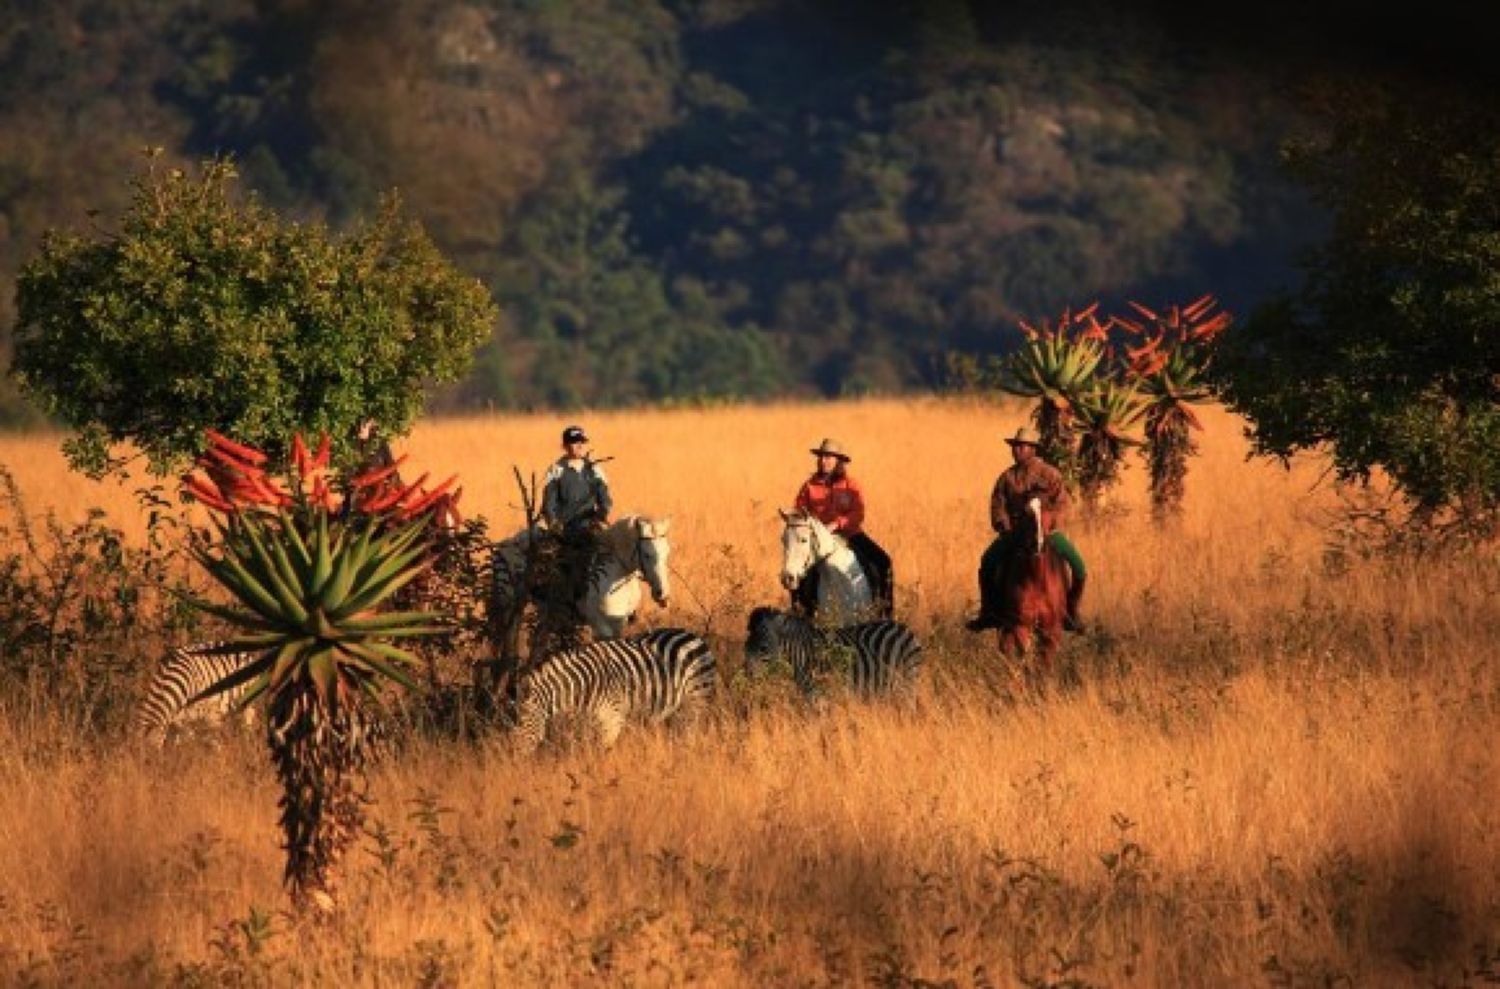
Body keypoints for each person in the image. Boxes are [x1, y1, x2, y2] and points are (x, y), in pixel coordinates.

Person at [966, 427, 1087, 633]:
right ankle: (989, 612)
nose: (1017, 450)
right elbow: (998, 505)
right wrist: (1005, 526)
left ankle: (1071, 611)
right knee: (987, 561)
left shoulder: (1050, 474)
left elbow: (1063, 504)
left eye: (1022, 446)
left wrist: (1049, 524)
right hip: (1015, 534)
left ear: (1033, 449)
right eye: (1015, 446)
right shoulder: (1006, 478)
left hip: (1047, 532)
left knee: (1079, 567)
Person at [791, 438, 894, 619]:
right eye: (821, 457)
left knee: (883, 561)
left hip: (850, 534)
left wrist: (837, 524)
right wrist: (816, 528)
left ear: (838, 460)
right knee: (798, 571)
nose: (824, 461)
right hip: (819, 540)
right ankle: (801, 615)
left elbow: (858, 513)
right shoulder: (809, 486)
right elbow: (799, 512)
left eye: (829, 457)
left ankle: (884, 613)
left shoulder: (851, 485)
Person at [539, 424, 614, 607]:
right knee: (565, 563)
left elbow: (605, 500)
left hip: (591, 525)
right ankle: (568, 602)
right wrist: (555, 524)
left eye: (581, 442)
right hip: (565, 529)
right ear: (565, 446)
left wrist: (600, 516)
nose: (578, 446)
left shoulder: (595, 470)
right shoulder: (556, 470)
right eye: (573, 442)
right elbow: (549, 504)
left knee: (615, 552)